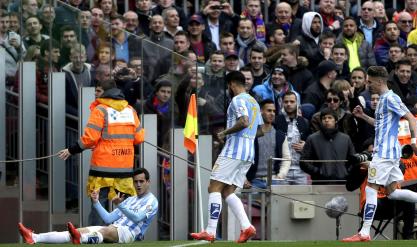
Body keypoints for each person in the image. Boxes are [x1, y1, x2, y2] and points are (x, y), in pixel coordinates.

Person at [342, 66, 417, 242]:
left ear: (380, 81)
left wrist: (413, 142)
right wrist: (363, 117)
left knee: (371, 188)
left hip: (385, 153)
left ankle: (364, 233)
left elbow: (412, 118)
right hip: (388, 152)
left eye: (370, 81)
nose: (368, 85)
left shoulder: (391, 97)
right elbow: (382, 125)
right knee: (392, 192)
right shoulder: (383, 99)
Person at [57, 80, 145, 226]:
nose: (95, 94)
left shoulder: (101, 110)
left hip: (102, 168)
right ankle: (124, 234)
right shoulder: (130, 110)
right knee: (126, 205)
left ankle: (94, 237)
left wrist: (71, 150)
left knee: (98, 204)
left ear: (105, 92)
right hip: (124, 168)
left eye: (98, 91)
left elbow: (90, 138)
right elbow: (139, 138)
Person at [190, 71, 263, 243]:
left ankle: (210, 231)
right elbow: (261, 130)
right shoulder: (254, 101)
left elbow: (243, 121)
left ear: (231, 84)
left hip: (233, 151)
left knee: (213, 187)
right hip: (248, 153)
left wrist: (224, 133)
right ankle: (247, 227)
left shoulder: (237, 100)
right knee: (228, 191)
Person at [18, 168, 158, 244]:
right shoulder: (129, 200)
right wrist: (96, 202)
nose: (138, 185)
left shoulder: (152, 201)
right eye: (136, 182)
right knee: (75, 232)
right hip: (113, 227)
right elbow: (109, 218)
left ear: (148, 182)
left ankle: (82, 240)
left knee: (103, 232)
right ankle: (34, 237)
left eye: (141, 181)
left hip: (129, 234)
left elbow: (138, 218)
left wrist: (120, 206)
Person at [246, 99, 291, 189]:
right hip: (253, 181)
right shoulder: (250, 134)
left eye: (274, 111)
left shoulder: (280, 135)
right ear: (260, 112)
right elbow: (242, 158)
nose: (272, 113)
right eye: (269, 110)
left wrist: (280, 176)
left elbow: (286, 158)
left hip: (274, 181)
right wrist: (243, 178)